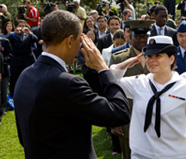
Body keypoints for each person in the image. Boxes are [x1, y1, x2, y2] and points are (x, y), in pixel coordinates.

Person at [14, 10, 130, 159]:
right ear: (69, 41)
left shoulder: (24, 76)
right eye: (79, 40)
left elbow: (24, 137)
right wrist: (103, 69)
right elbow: (119, 113)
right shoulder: (68, 84)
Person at [110, 35, 186, 159]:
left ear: (171, 59)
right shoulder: (139, 83)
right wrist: (122, 66)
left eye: (158, 56)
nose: (152, 60)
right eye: (149, 56)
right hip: (141, 155)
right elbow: (110, 82)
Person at [110, 20, 155, 159]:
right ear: (131, 36)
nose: (142, 39)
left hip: (153, 116)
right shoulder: (119, 58)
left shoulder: (158, 57)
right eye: (138, 36)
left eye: (145, 36)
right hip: (128, 117)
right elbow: (111, 89)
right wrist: (114, 122)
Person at [7, 20, 38, 97]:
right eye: (20, 26)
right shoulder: (13, 35)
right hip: (16, 60)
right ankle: (13, 95)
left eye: (23, 26)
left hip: (27, 60)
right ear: (17, 26)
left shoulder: (29, 35)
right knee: (14, 79)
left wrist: (29, 33)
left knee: (30, 78)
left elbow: (36, 39)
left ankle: (31, 94)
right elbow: (7, 40)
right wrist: (15, 33)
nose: (21, 27)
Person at [0, 36, 13, 126]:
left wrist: (4, 61)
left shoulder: (5, 41)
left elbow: (10, 54)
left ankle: (3, 108)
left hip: (4, 70)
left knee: (4, 91)